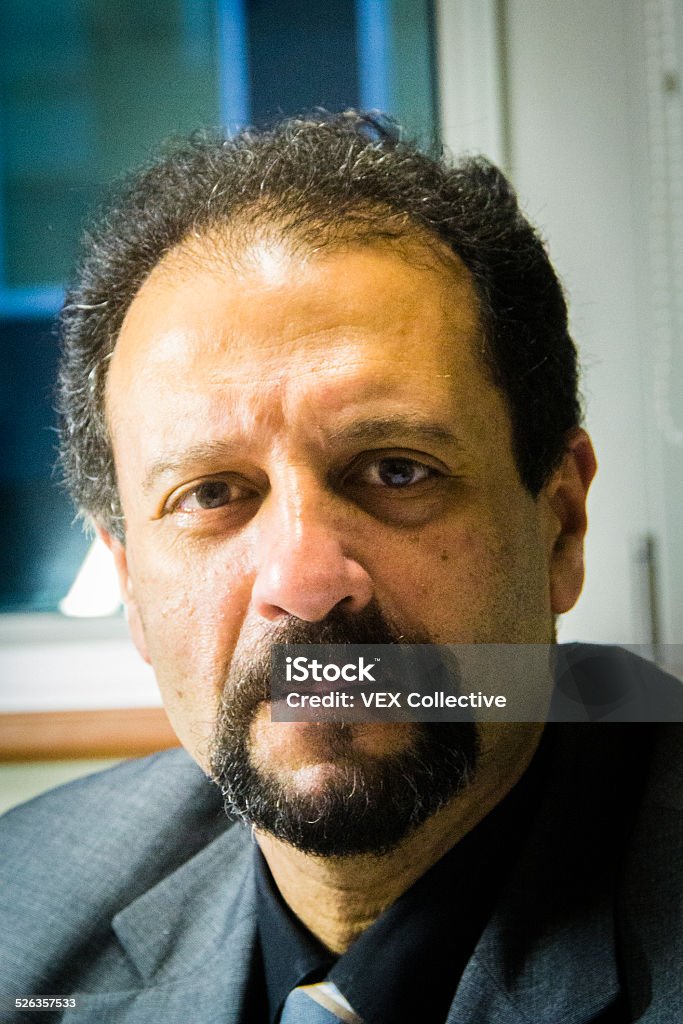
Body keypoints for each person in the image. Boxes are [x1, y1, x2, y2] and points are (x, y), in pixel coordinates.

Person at [0, 111, 681, 1023]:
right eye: (210, 495)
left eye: (396, 471)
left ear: (559, 524)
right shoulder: (24, 907)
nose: (305, 581)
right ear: (128, 582)